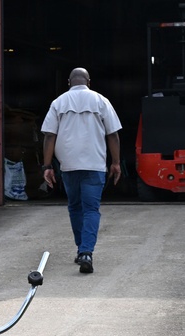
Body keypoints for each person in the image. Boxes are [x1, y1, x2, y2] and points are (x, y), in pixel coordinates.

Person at [41, 67, 122, 275]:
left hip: (68, 166)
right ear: (89, 81)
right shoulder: (101, 100)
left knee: (75, 207)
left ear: (69, 82)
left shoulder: (58, 103)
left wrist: (47, 166)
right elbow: (113, 135)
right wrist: (116, 162)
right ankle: (86, 252)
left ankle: (81, 249)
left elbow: (49, 136)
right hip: (95, 165)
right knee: (91, 209)